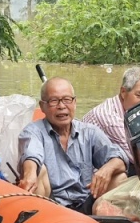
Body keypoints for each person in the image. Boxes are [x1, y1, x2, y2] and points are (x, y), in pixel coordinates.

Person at [18, 77, 128, 214]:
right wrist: (29, 173)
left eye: (67, 100)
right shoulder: (34, 131)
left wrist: (106, 170)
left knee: (119, 176)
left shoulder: (89, 132)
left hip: (86, 200)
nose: (61, 106)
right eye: (54, 101)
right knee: (39, 170)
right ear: (42, 106)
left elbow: (121, 158)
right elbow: (31, 154)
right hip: (52, 204)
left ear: (75, 103)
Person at [81, 67, 140, 172]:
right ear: (123, 92)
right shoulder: (110, 117)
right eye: (139, 95)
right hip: (90, 174)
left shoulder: (134, 111)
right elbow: (138, 158)